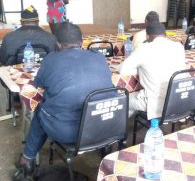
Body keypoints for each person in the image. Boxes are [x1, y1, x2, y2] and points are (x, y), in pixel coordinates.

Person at [17, 22, 113, 171]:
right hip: (106, 126)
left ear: (58, 44)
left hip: (68, 133)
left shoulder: (51, 60)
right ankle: (103, 147)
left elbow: (39, 85)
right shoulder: (99, 57)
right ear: (82, 42)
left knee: (40, 109)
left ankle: (27, 159)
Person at [120, 22, 185, 119]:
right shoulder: (178, 46)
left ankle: (120, 131)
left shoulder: (143, 48)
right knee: (134, 101)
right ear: (165, 35)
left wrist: (139, 69)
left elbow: (123, 70)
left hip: (155, 104)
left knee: (122, 99)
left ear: (147, 36)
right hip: (177, 100)